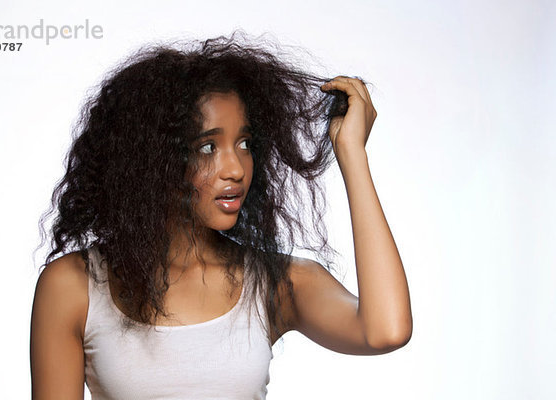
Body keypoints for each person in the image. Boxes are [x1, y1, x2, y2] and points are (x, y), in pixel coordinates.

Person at [30, 32, 412, 399]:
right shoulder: (74, 286)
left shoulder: (275, 283)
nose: (235, 168)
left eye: (244, 143)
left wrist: (352, 153)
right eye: (207, 146)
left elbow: (386, 330)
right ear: (153, 158)